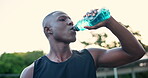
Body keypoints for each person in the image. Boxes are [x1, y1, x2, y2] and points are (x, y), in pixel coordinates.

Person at [20, 9, 145, 78]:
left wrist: (109, 21)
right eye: (62, 19)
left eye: (70, 19)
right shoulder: (31, 72)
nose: (70, 22)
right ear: (48, 30)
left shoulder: (90, 56)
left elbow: (135, 53)